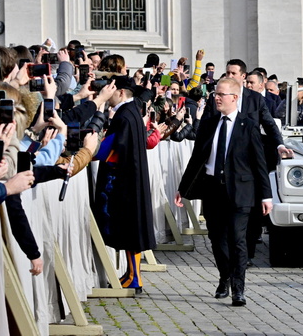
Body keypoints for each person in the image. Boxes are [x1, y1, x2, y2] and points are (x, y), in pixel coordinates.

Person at [174, 77, 272, 306]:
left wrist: (266, 195)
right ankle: (224, 276)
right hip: (213, 190)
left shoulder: (248, 125)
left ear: (234, 98)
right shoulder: (209, 124)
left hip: (241, 192)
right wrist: (183, 189)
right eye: (215, 94)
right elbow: (197, 159)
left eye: (221, 94)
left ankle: (239, 288)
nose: (216, 97)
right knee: (217, 239)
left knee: (238, 239)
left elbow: (260, 164)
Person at [92, 76, 155, 294]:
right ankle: (132, 274)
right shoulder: (131, 112)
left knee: (129, 228)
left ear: (120, 92)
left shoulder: (124, 115)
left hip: (122, 177)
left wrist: (92, 150)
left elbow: (108, 147)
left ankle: (135, 276)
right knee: (131, 227)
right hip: (131, 175)